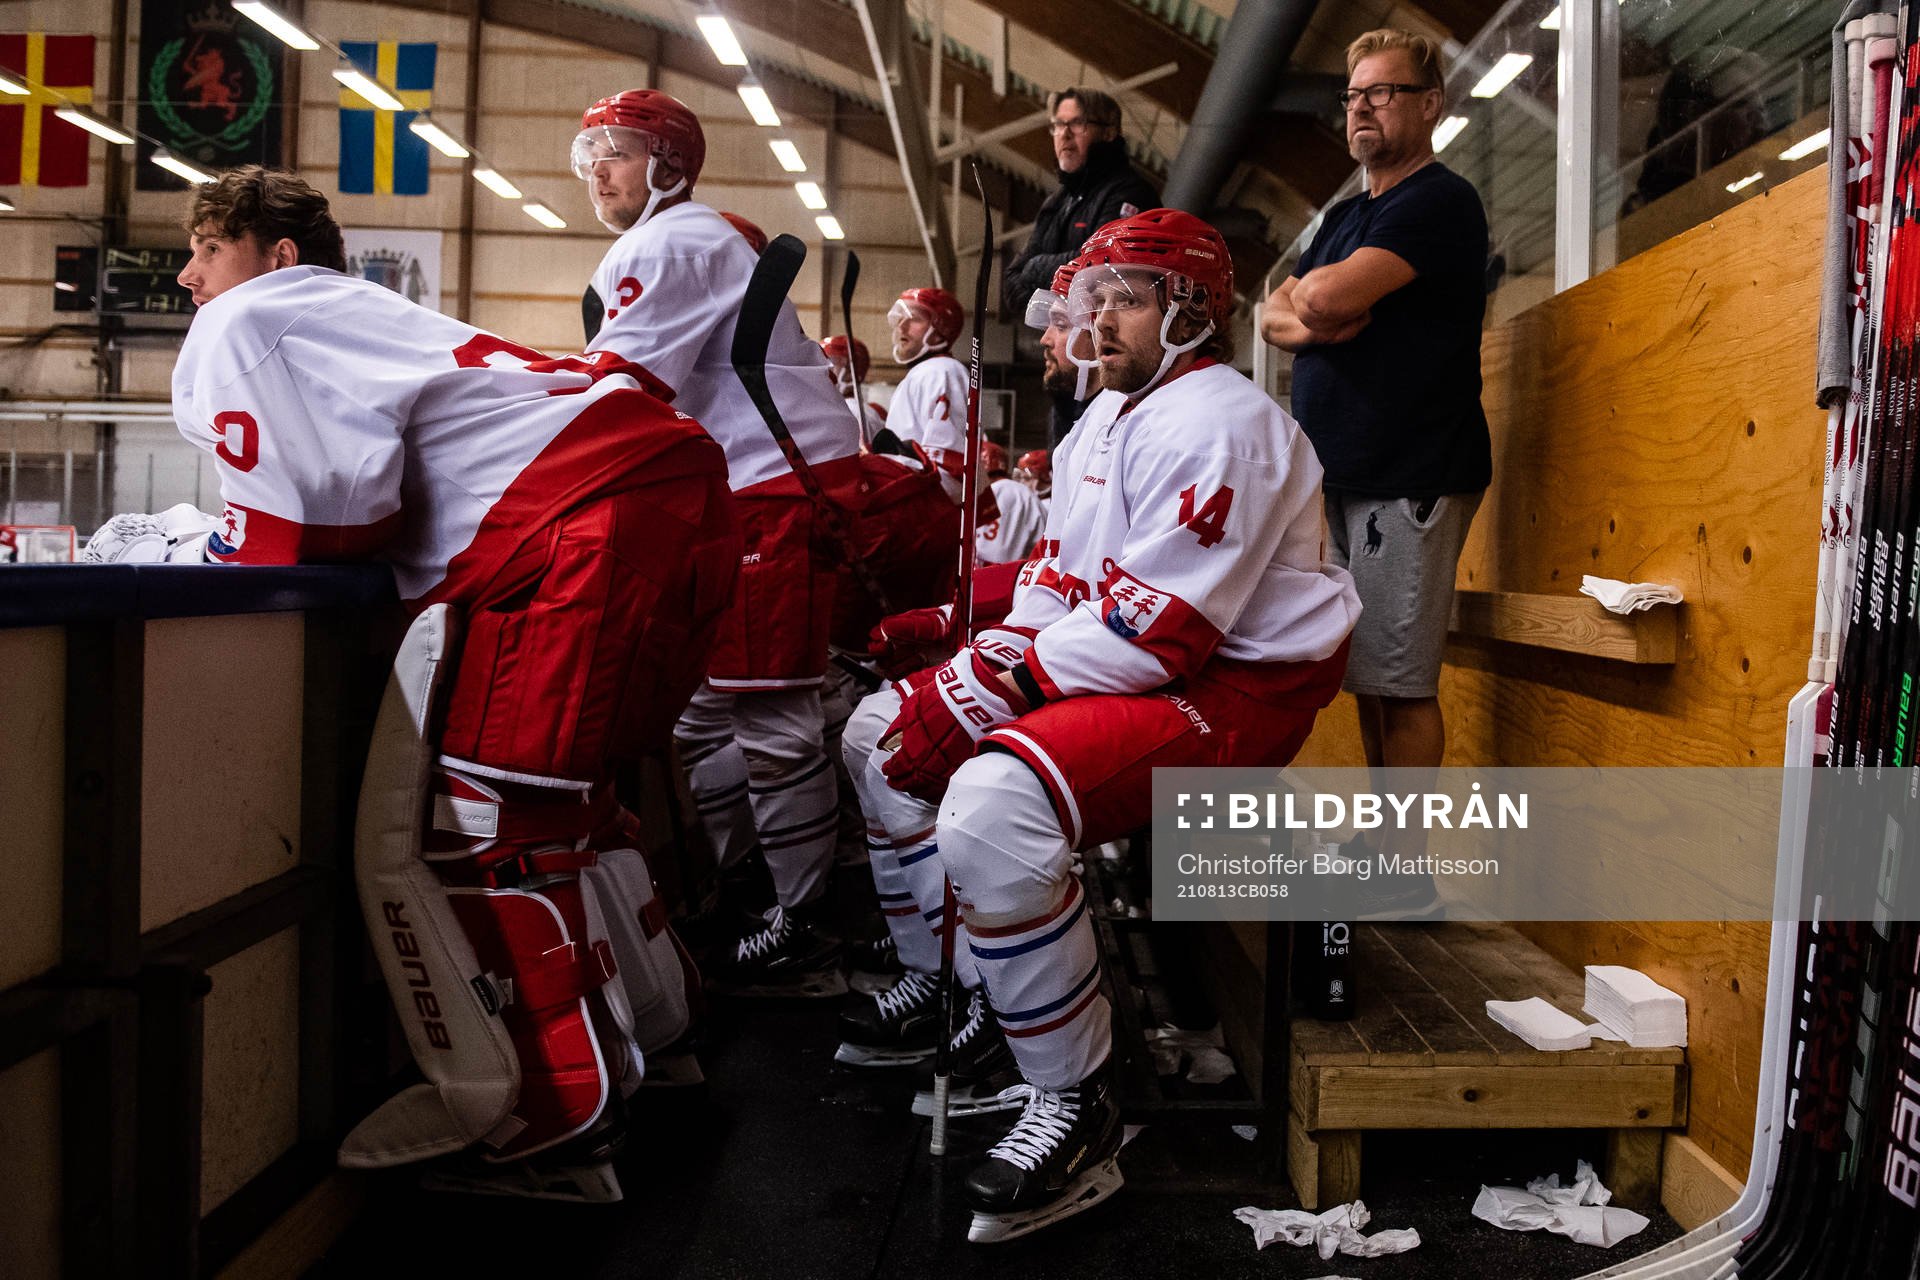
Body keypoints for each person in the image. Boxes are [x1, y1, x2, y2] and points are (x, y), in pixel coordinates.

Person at [82, 166, 738, 1201]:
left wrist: (209, 546)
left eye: (208, 247)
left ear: (275, 257)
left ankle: (550, 1119)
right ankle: (662, 1031)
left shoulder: (253, 317)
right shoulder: (370, 313)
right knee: (577, 812)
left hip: (574, 516)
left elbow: (331, 517)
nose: (190, 274)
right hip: (673, 481)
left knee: (488, 825)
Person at [844, 210, 1359, 1241]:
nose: (1093, 319)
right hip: (1164, 663)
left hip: (1240, 690)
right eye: (1092, 299)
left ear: (1191, 310)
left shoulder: (1219, 418)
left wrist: (992, 687)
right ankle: (970, 993)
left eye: (1123, 297)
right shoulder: (1111, 419)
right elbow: (1058, 592)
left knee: (993, 805)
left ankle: (1075, 1100)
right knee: (874, 731)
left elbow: (1155, 637)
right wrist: (977, 665)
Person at [575, 89, 863, 993]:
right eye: (589, 155)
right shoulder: (694, 235)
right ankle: (751, 884)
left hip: (769, 491)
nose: (597, 172)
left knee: (770, 720)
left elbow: (617, 386)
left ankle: (802, 922)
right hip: (765, 488)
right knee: (705, 717)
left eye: (617, 152)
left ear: (668, 163)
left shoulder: (670, 240)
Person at [1260, 28, 1490, 907]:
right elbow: (1288, 309)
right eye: (1353, 95)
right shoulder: (1348, 215)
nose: (1360, 107)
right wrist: (1316, 312)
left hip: (1412, 470)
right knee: (1369, 673)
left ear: (1429, 105)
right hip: (1349, 473)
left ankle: (1409, 870)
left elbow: (1314, 299)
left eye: (1382, 92)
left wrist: (1317, 308)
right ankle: (1382, 844)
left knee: (1401, 677)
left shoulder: (1437, 203)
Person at [1003, 86, 1157, 445]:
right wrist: (1066, 266)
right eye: (1057, 126)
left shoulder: (1129, 193)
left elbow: (1103, 269)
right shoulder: (1058, 202)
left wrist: (1037, 266)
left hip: (1108, 372)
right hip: (1065, 374)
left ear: (1108, 131)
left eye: (1078, 124)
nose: (1065, 135)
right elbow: (1012, 285)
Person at [882, 285, 971, 499]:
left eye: (914, 319)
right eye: (900, 318)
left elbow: (949, 463)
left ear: (942, 329)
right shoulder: (924, 372)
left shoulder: (941, 372)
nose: (902, 327)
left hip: (924, 509)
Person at [974, 440, 1046, 565]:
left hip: (993, 577)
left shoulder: (995, 492)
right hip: (1022, 575)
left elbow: (992, 558)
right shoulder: (1024, 493)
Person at [820, 334, 886, 441]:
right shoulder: (853, 409)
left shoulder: (852, 411)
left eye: (832, 365)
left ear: (852, 372)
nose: (825, 372)